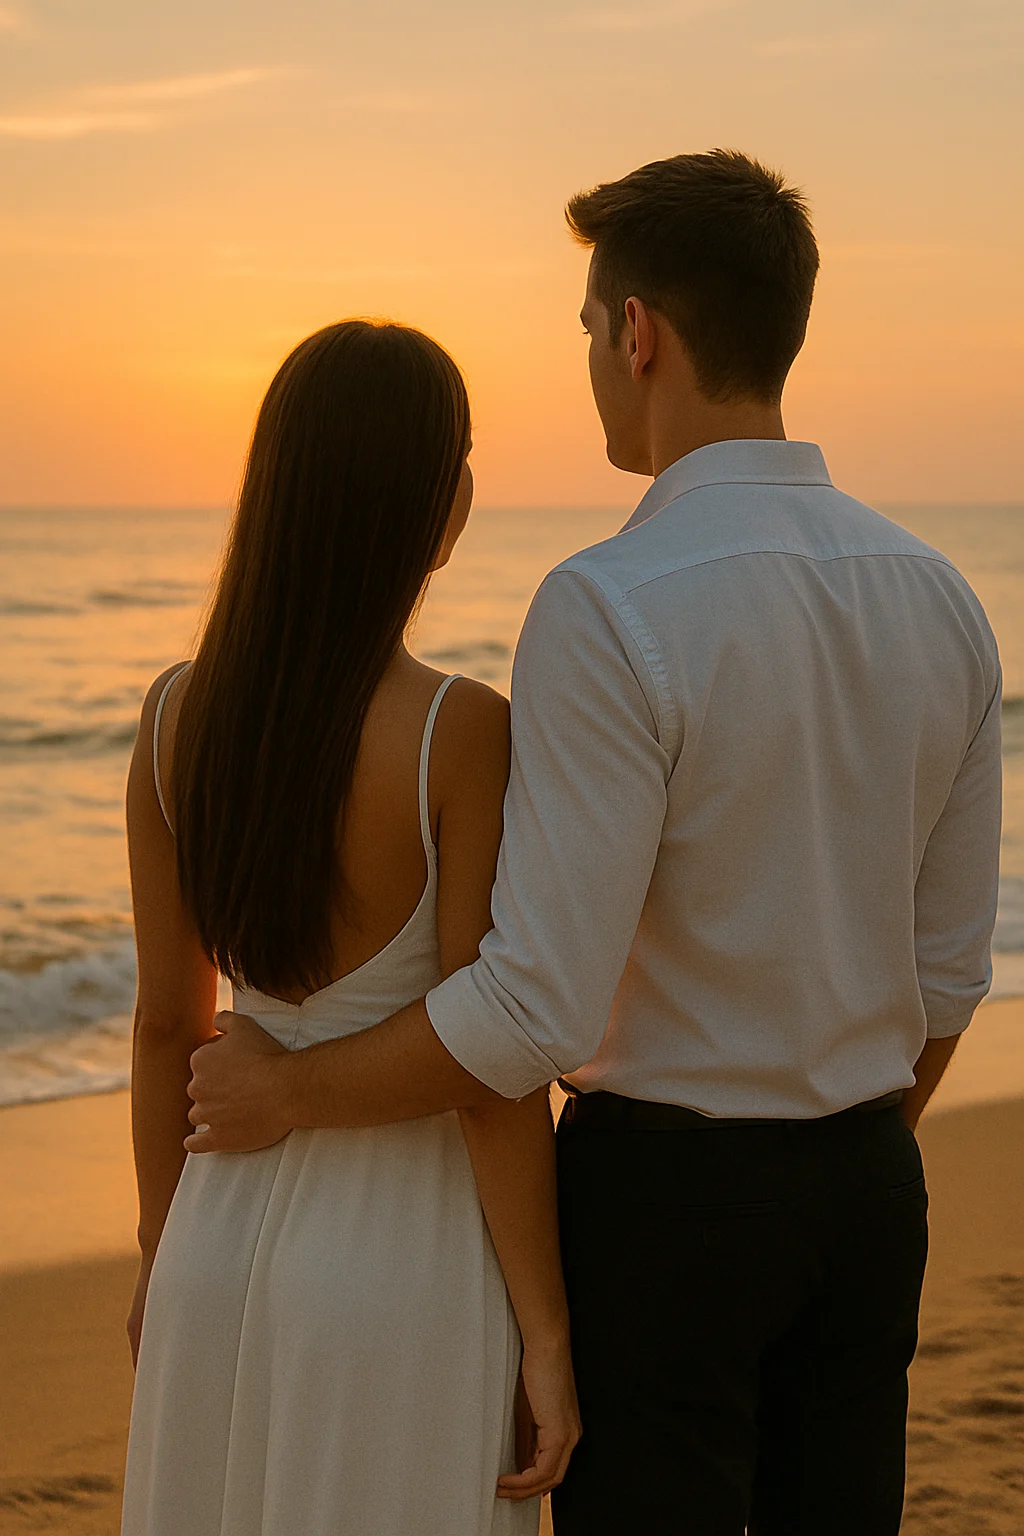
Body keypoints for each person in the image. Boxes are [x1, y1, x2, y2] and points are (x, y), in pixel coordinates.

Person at [186, 152, 1002, 1535]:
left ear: (639, 335)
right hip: (871, 1187)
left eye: (585, 328)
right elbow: (952, 972)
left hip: (667, 1204)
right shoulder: (941, 599)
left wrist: (291, 1090)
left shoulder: (610, 605)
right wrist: (832, 1144)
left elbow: (533, 1002)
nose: (587, 360)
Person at [121, 319, 579, 1536]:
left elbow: (171, 1023)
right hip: (403, 1264)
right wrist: (545, 1329)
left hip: (213, 1243)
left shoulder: (174, 716)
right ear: (429, 504)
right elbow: (489, 1068)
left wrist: (164, 1261)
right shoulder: (458, 732)